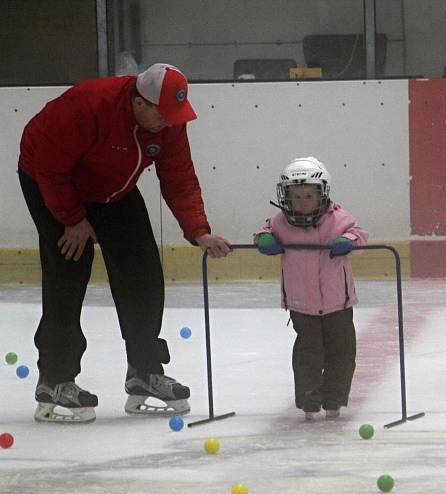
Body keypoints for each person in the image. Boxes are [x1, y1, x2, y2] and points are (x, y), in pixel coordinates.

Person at [18, 63, 232, 423]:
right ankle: (55, 379)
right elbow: (50, 169)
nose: (169, 122)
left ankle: (144, 372)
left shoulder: (168, 123)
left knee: (143, 273)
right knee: (68, 272)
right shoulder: (88, 107)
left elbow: (179, 177)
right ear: (138, 103)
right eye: (163, 114)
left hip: (114, 189)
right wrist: (72, 219)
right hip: (51, 181)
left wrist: (198, 229)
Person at [254, 157, 368, 420]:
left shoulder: (338, 218)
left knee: (342, 350)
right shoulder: (281, 222)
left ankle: (334, 398)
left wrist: (348, 239)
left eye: (308, 195)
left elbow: (359, 233)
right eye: (296, 196)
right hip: (301, 303)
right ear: (286, 197)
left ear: (322, 194)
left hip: (337, 303)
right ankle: (308, 397)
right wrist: (264, 238)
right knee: (308, 351)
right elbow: (264, 231)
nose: (302, 201)